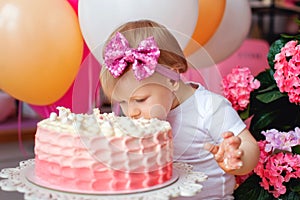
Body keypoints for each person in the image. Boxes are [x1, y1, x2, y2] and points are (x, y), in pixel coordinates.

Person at [100, 19, 260, 199]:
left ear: (171, 80)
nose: (131, 112)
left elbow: (251, 148)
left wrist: (236, 156)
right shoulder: (143, 116)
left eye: (140, 99)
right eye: (122, 101)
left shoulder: (209, 108)